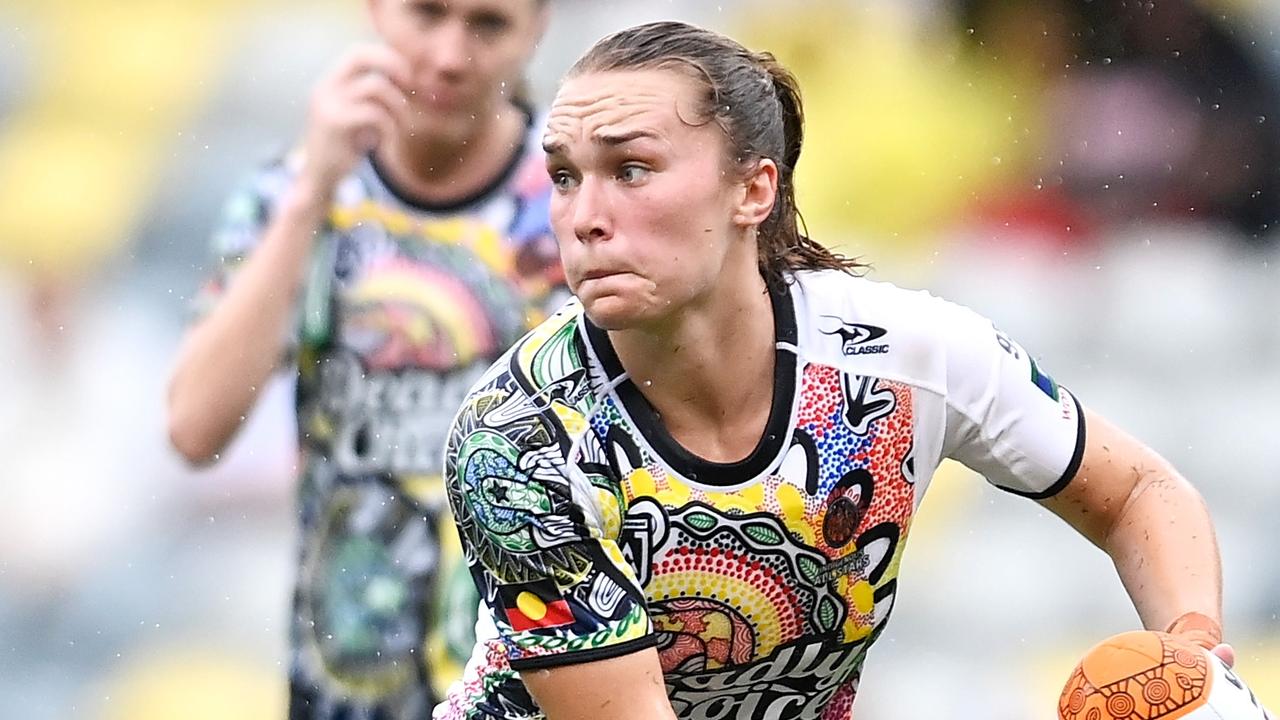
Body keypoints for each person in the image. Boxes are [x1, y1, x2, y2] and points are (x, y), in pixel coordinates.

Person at [433, 20, 1235, 720]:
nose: (581, 217)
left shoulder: (908, 352)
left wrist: (1192, 654)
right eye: (566, 176)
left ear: (753, 189)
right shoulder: (516, 440)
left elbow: (1139, 492)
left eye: (631, 170)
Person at [166, 1, 558, 717]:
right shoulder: (288, 197)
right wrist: (311, 192)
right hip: (344, 677)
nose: (448, 55)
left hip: (532, 681)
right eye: (427, 13)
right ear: (376, 9)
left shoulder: (575, 208)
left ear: (537, 27)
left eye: (488, 24)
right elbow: (195, 427)